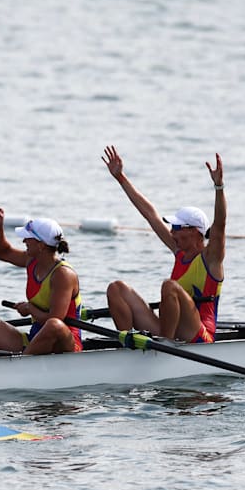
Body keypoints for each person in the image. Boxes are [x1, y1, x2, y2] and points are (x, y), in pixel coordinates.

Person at [101, 146, 226, 343]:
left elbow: (219, 225)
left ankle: (165, 345)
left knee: (170, 286)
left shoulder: (211, 259)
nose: (172, 232)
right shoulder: (179, 250)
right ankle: (126, 343)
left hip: (200, 334)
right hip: (172, 328)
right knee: (116, 288)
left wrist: (219, 188)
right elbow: (150, 214)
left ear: (194, 232)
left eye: (177, 227)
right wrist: (120, 178)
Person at [0, 211, 83, 355]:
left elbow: (55, 319)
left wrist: (30, 309)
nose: (24, 241)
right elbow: (3, 252)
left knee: (54, 325)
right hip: (34, 338)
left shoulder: (63, 275)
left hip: (65, 343)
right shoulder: (32, 260)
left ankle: (21, 367)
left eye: (28, 238)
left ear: (41, 245)